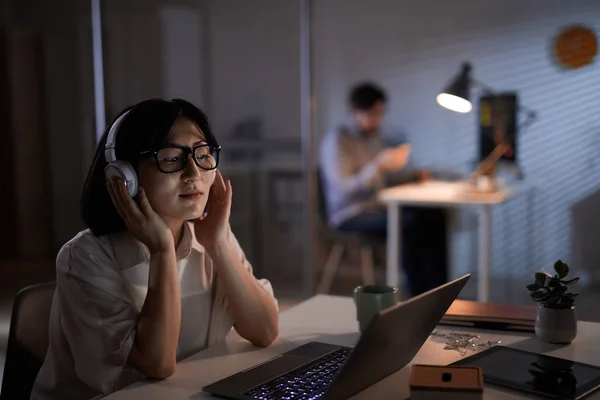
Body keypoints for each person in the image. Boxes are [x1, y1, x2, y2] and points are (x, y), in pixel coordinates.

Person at [31, 99, 279, 399]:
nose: (193, 172)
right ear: (124, 177)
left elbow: (264, 331)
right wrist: (162, 251)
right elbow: (157, 364)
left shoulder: (208, 232)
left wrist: (217, 243)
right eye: (172, 158)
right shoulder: (85, 257)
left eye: (202, 154)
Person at [319, 82, 448, 297]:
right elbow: (343, 190)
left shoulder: (374, 137)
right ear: (354, 111)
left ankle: (439, 292)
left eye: (379, 113)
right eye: (372, 113)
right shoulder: (337, 141)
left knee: (434, 216)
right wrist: (376, 166)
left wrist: (410, 174)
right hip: (350, 215)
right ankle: (419, 294)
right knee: (413, 223)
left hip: (376, 208)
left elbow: (384, 177)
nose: (376, 119)